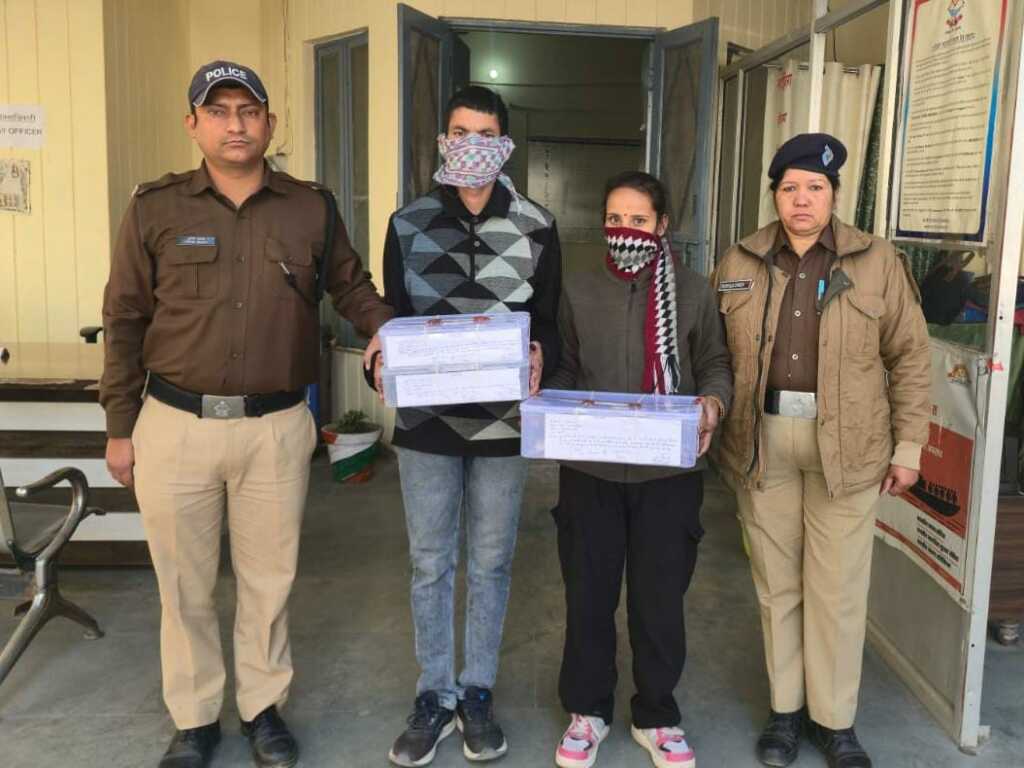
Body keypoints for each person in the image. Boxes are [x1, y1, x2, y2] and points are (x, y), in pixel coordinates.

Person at [100, 60, 394, 768]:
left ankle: (263, 709)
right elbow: (124, 318)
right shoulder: (155, 208)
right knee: (184, 585)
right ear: (193, 123)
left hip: (275, 428)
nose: (236, 124)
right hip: (175, 425)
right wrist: (118, 426)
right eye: (219, 110)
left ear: (269, 122)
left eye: (249, 111)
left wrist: (388, 331)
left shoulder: (310, 208)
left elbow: (351, 287)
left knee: (269, 581)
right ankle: (195, 718)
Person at [712, 133, 930, 768]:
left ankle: (834, 721)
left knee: (837, 590)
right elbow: (713, 352)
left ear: (834, 195)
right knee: (777, 585)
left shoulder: (876, 260)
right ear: (775, 195)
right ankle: (785, 712)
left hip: (850, 447)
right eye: (790, 188)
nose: (801, 199)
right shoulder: (741, 259)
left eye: (815, 187)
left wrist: (909, 446)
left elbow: (911, 356)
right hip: (762, 442)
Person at [366, 86, 562, 766]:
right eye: (459, 132)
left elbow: (550, 324)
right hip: (427, 425)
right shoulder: (407, 223)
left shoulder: (537, 225)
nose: (471, 145)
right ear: (442, 140)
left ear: (505, 145)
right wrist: (380, 360)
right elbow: (392, 317)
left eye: (484, 134)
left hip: (505, 426)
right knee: (430, 562)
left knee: (491, 562)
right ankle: (435, 694)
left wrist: (542, 356)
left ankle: (477, 691)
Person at [545, 171, 733, 768]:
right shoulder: (579, 288)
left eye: (639, 220)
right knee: (589, 596)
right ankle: (588, 710)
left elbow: (714, 362)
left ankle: (657, 714)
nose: (625, 231)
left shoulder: (693, 291)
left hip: (667, 476)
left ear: (663, 225)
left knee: (659, 602)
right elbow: (567, 367)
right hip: (591, 472)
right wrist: (547, 402)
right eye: (615, 219)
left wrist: (713, 403)